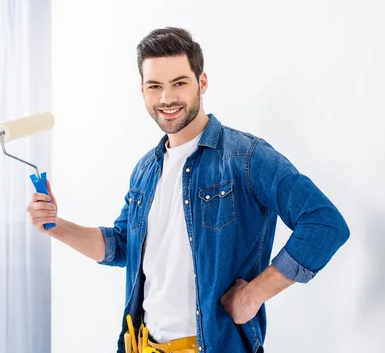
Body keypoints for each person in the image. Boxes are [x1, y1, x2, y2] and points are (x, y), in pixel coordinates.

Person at [27, 27, 350, 353]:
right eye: (155, 86)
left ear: (202, 82)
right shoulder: (146, 170)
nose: (167, 98)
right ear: (143, 90)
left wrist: (254, 294)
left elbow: (324, 224)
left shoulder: (246, 157)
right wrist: (54, 225)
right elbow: (122, 246)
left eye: (179, 83)